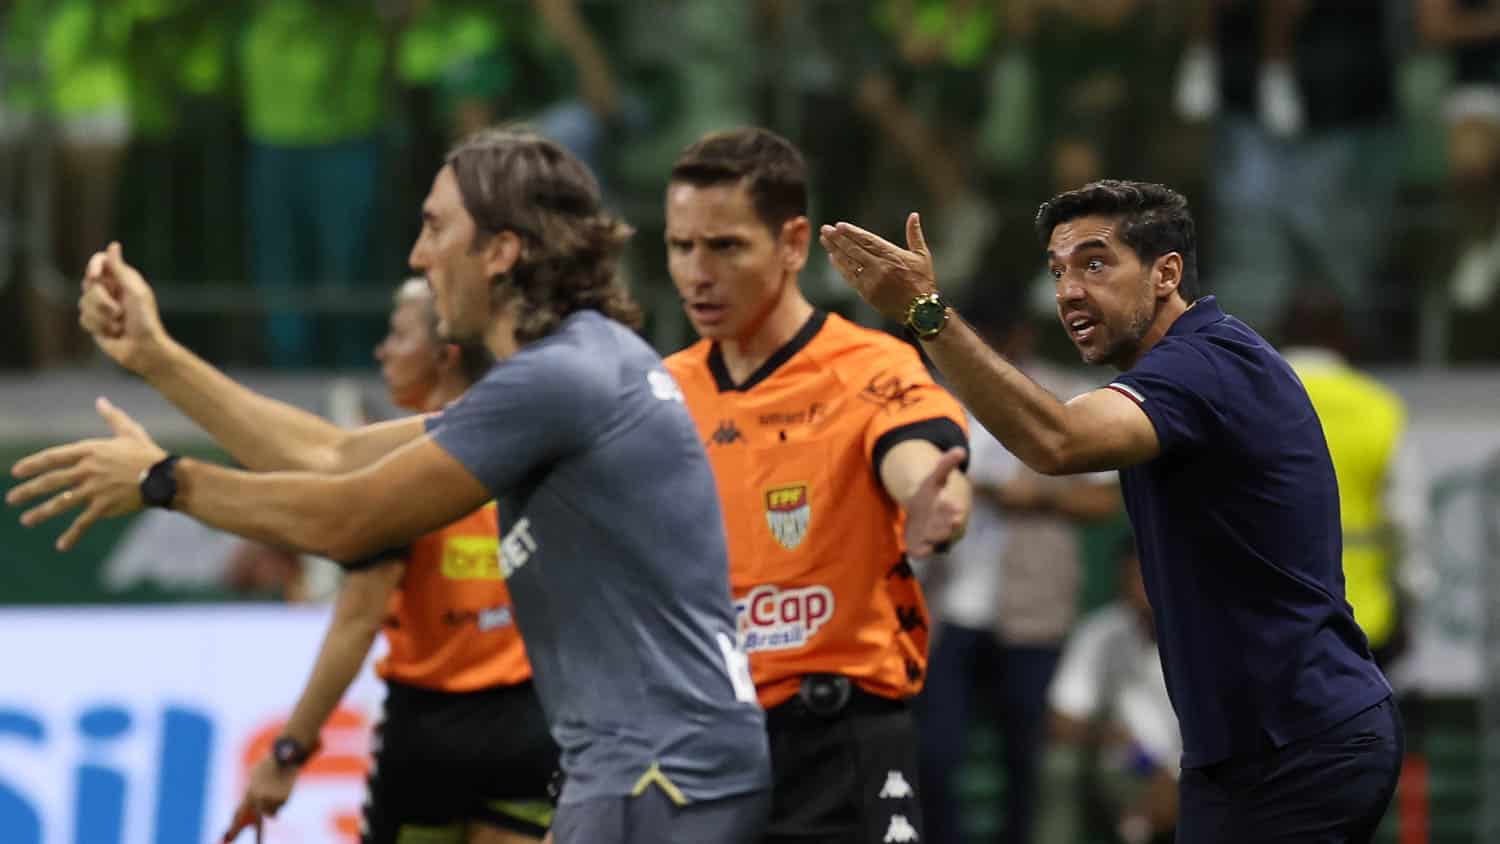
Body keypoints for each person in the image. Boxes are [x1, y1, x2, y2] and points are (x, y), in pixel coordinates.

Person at [9, 127, 774, 844]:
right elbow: (338, 455)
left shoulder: (559, 379)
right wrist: (156, 357)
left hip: (654, 773)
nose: (417, 255)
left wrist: (165, 481)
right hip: (669, 767)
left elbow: (350, 518)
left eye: (437, 228)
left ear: (501, 250)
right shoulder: (582, 364)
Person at [819, 179, 1402, 842]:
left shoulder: (1209, 366)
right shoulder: (1183, 370)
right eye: (1058, 270)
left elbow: (1056, 439)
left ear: (1166, 273)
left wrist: (926, 313)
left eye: (1095, 264)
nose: (1069, 290)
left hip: (1303, 743)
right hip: (1244, 753)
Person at [661, 127, 972, 844]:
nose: (696, 273)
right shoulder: (660, 394)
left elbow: (920, 465)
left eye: (725, 246)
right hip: (700, 751)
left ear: (794, 243)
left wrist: (934, 503)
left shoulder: (869, 366)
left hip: (838, 748)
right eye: (681, 247)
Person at [229, 279, 557, 843]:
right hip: (531, 727)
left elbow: (356, 622)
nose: (383, 350)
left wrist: (288, 750)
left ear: (444, 355)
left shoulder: (404, 476)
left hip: (430, 736)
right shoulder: (536, 444)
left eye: (398, 334)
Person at [916, 292, 1120, 844]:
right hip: (948, 604)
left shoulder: (1063, 397)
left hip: (1032, 607)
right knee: (935, 753)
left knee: (1025, 760)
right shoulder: (934, 398)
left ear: (1019, 339)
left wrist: (1035, 498)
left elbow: (1104, 501)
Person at [1278, 292, 1426, 671]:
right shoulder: (1378, 406)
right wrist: (1411, 599)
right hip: (1362, 619)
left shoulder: (1250, 395)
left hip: (1269, 617)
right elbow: (1407, 517)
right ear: (1342, 338)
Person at [1049, 535, 1180, 844]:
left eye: (1146, 578)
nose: (1137, 589)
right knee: (1059, 767)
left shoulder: (1208, 635)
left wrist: (1175, 782)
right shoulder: (1101, 632)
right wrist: (1108, 734)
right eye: (1130, 577)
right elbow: (1061, 719)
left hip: (1197, 777)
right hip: (1130, 769)